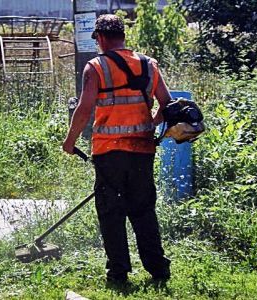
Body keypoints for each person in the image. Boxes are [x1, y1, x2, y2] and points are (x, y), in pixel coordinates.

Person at [63, 14, 172, 284]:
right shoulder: (149, 65)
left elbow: (85, 109)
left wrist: (70, 141)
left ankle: (119, 272)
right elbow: (167, 104)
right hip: (142, 150)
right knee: (143, 209)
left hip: (108, 152)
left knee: (112, 212)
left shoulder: (96, 67)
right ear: (122, 35)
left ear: (99, 38)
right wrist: (150, 124)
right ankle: (158, 269)